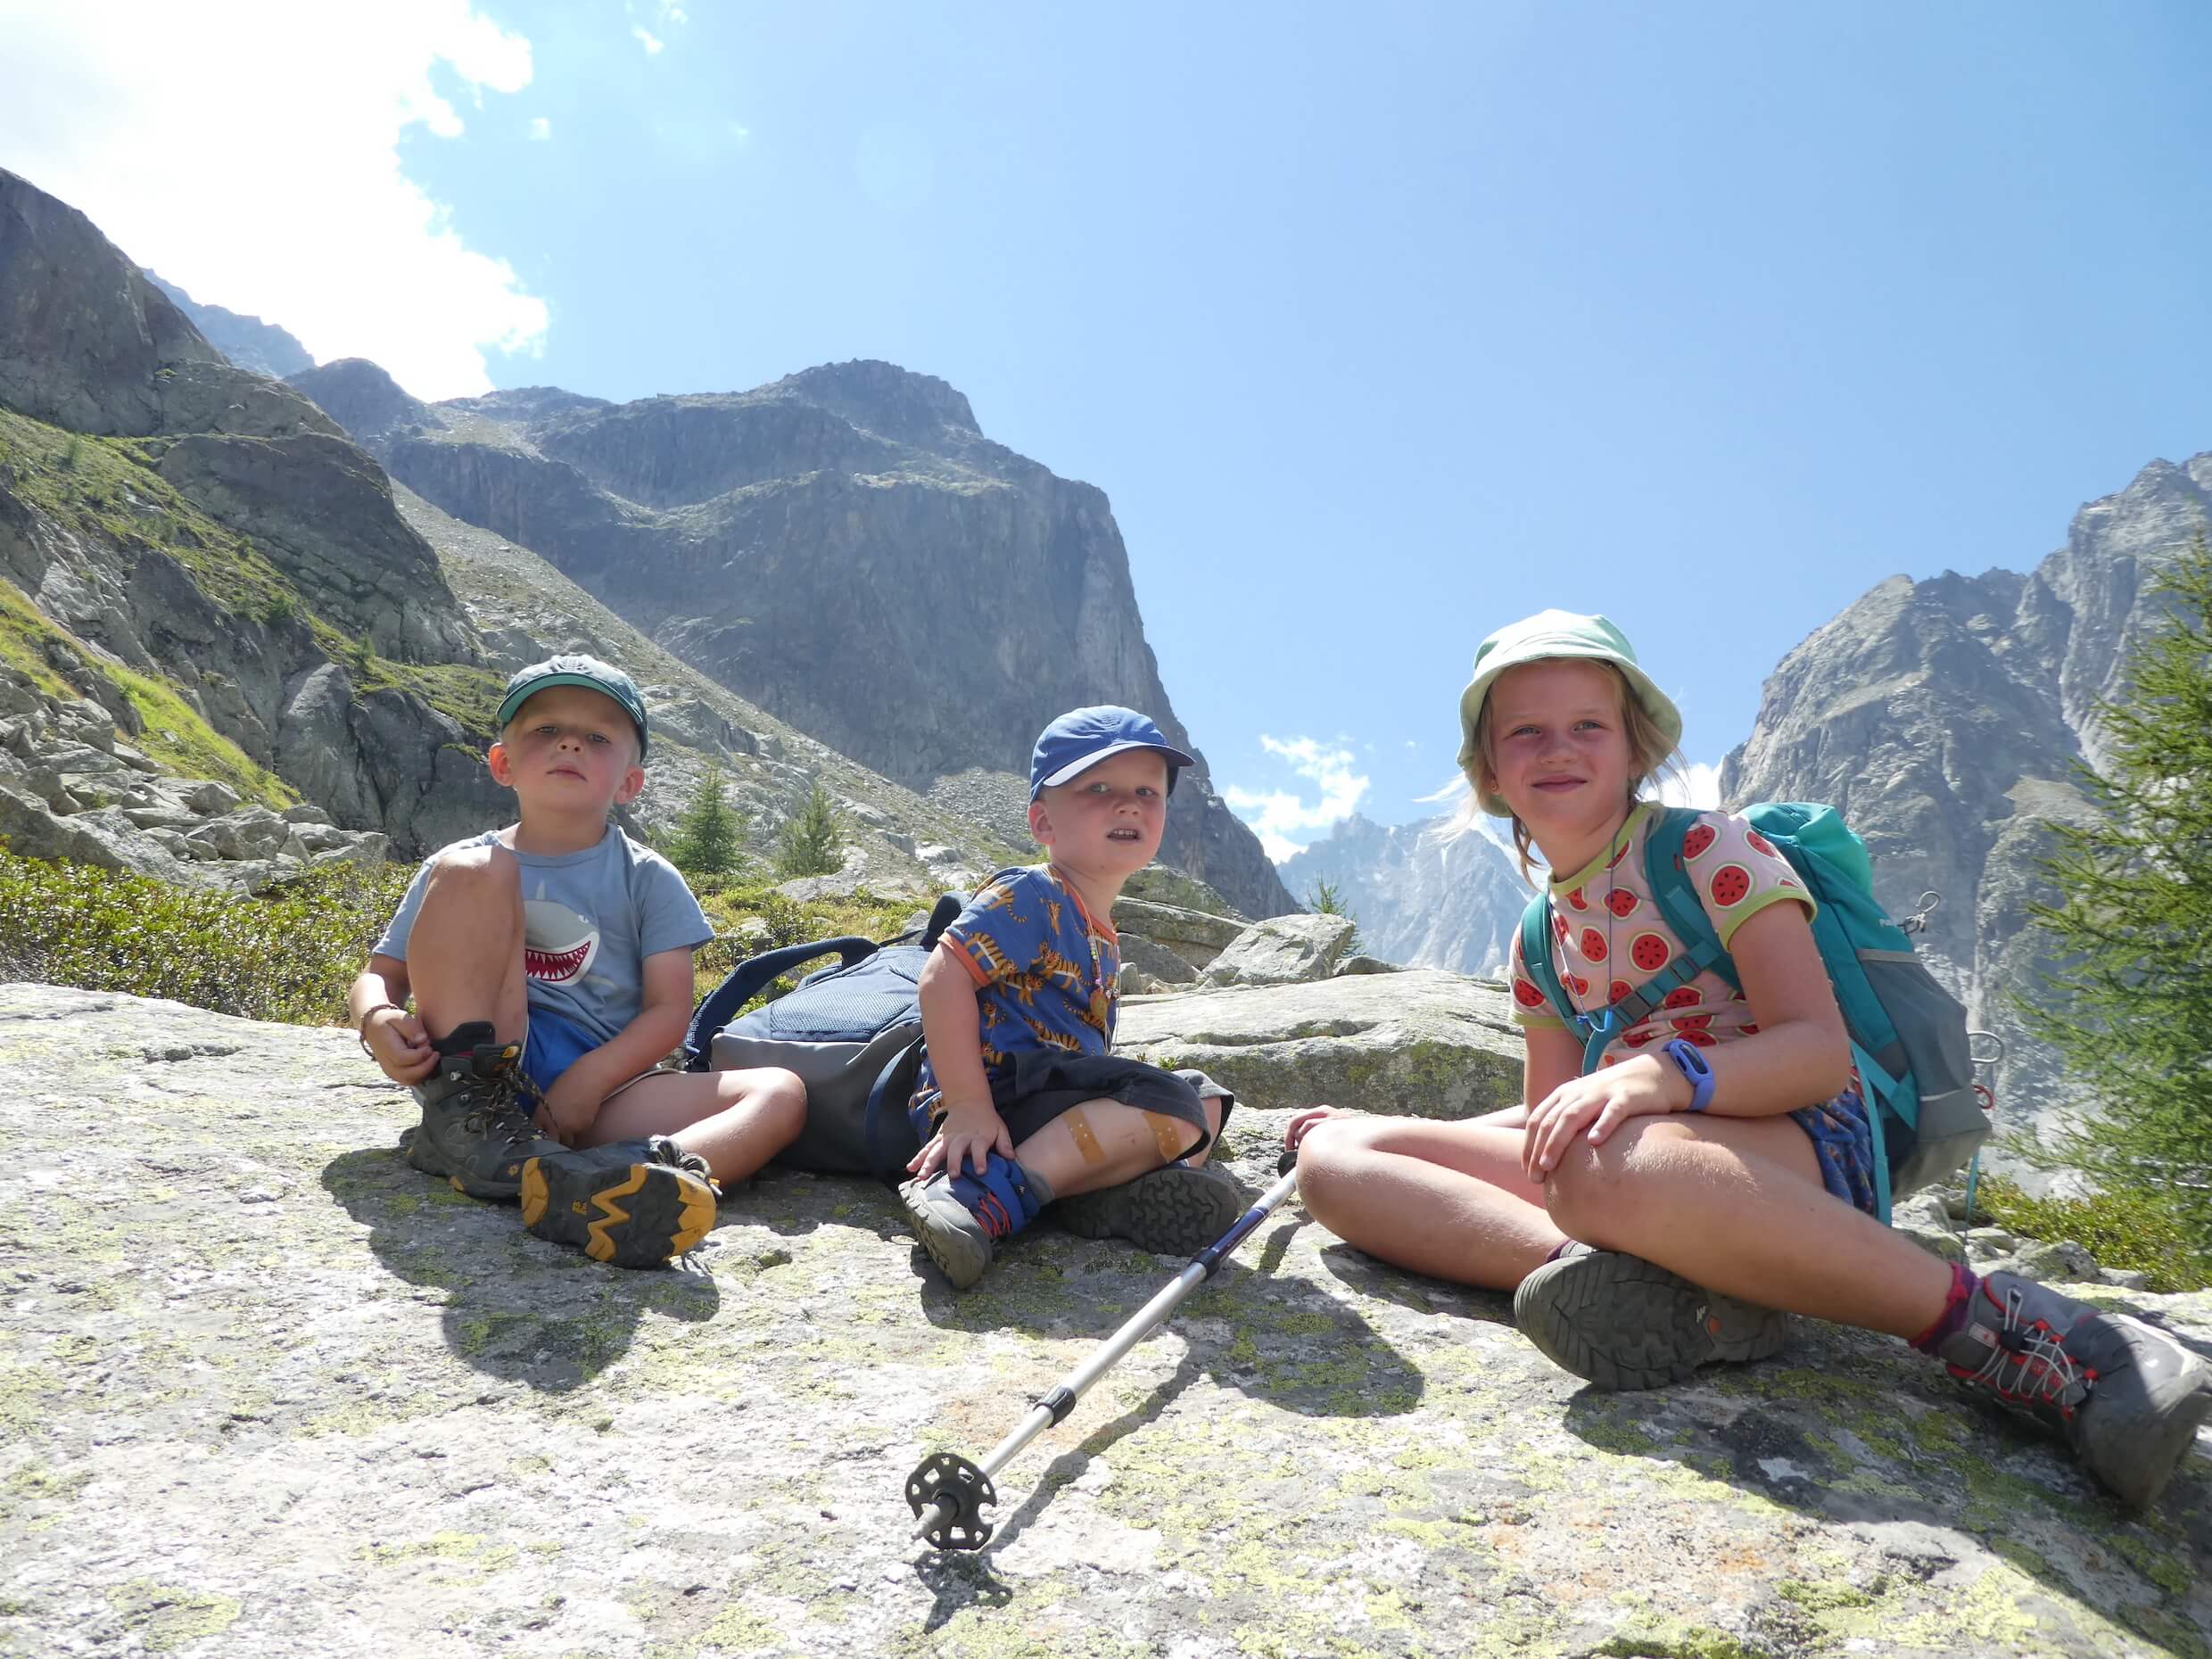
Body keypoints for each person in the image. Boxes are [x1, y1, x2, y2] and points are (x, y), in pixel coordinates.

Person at [1289, 610, 2210, 1508]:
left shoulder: (1708, 851)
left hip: (1799, 1142)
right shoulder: (1540, 940)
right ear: (1489, 769)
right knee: (1334, 1165)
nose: (1556, 749)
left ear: (1634, 747)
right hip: (1629, 1168)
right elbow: (1547, 1124)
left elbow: (1815, 1055)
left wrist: (1660, 1075)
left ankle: (2027, 1337)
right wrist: (1387, 1130)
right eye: (1524, 732)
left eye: (1586, 726)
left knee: (1597, 1167)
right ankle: (1683, 1297)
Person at [350, 655, 805, 1269]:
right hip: (488, 1085)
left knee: (780, 1093)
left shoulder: (649, 878)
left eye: (597, 737)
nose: (570, 742)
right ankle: (463, 1131)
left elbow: (670, 1011)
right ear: (502, 764)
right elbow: (382, 973)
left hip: (606, 1096)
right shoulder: (458, 866)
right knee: (479, 871)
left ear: (628, 783)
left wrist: (588, 1084)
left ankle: (612, 1182)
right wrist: (377, 1018)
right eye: (545, 731)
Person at [896, 706, 1242, 1291]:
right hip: (996, 1094)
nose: (1128, 803)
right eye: (1098, 787)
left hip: (1044, 1095)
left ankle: (1096, 1199)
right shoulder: (1034, 892)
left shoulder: (1100, 932)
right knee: (1172, 1104)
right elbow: (943, 976)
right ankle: (973, 1195)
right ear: (1043, 823)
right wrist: (968, 1108)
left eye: (1147, 791)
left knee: (1205, 1097)